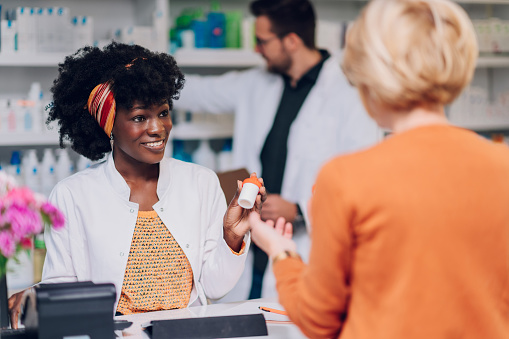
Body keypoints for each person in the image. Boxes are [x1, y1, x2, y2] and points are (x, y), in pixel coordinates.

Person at [248, 0, 509, 338]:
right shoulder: (501, 166)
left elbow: (317, 320)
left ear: (370, 80)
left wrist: (282, 253)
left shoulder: (346, 178)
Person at [8, 42, 266, 327]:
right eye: (139, 117)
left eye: (163, 113)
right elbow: (62, 289)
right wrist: (37, 296)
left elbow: (215, 288)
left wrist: (231, 235)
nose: (157, 128)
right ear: (110, 127)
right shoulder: (73, 195)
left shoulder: (200, 182)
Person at [174, 0, 379, 300]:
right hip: (249, 243)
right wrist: (143, 76)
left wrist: (298, 210)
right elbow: (200, 92)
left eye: (262, 41)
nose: (257, 49)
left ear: (292, 41)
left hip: (303, 247)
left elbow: (364, 181)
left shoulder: (348, 93)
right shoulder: (257, 83)